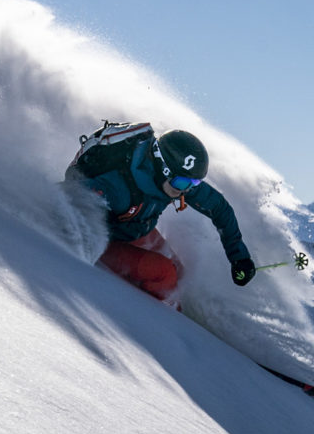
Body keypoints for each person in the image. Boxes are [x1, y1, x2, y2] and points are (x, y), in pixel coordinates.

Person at [66, 125, 257, 302]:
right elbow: (67, 198)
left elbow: (219, 208)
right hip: (107, 240)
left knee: (180, 274)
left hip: (136, 227)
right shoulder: (118, 188)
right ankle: (159, 322)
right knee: (165, 275)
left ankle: (178, 310)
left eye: (194, 184)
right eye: (182, 183)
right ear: (163, 168)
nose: (186, 190)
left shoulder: (177, 181)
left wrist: (239, 257)